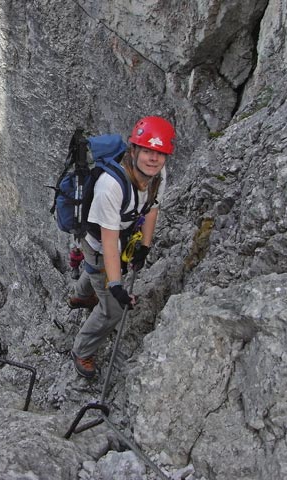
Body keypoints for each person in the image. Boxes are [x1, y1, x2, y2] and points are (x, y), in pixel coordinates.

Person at [68, 116, 175, 378]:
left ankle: (81, 295)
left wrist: (145, 247)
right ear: (134, 150)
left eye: (160, 153)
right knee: (111, 309)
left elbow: (151, 208)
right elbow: (108, 243)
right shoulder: (110, 186)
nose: (154, 158)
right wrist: (116, 287)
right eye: (148, 150)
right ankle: (82, 350)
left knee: (97, 270)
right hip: (99, 244)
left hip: (116, 237)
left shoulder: (157, 174)